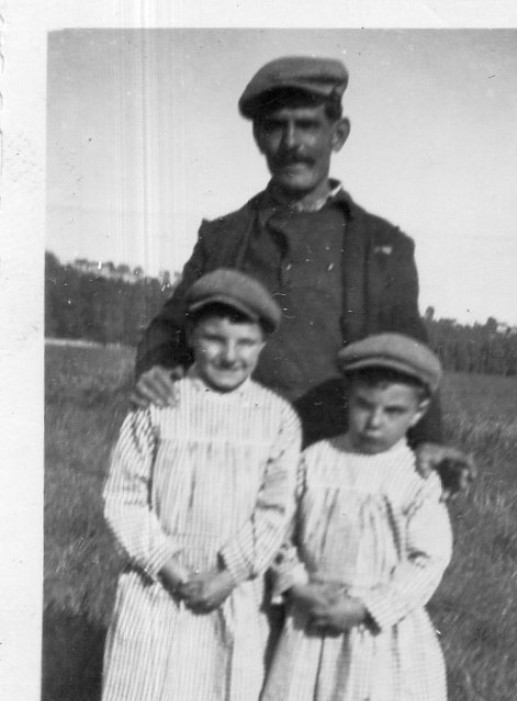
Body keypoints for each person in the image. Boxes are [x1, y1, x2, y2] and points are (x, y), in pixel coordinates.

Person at [133, 54, 474, 486]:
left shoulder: (382, 246)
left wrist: (429, 439)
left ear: (339, 134)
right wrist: (156, 369)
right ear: (258, 136)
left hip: (337, 464)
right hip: (229, 458)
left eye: (308, 125)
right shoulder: (223, 237)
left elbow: (408, 351)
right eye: (276, 126)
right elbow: (170, 327)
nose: (292, 142)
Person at [99, 269, 300, 701]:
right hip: (157, 586)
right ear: (191, 336)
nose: (229, 354)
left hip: (227, 590)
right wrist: (163, 563)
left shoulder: (276, 419)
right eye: (214, 338)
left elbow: (276, 510)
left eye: (245, 343)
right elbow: (125, 495)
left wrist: (231, 571)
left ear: (263, 346)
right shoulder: (158, 406)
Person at [255, 333, 453, 701]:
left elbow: (428, 559)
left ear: (418, 412)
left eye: (392, 411)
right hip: (314, 618)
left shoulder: (415, 478)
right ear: (349, 398)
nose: (373, 422)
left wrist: (368, 607)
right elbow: (280, 533)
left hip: (370, 630)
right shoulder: (314, 460)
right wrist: (297, 585)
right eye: (364, 406)